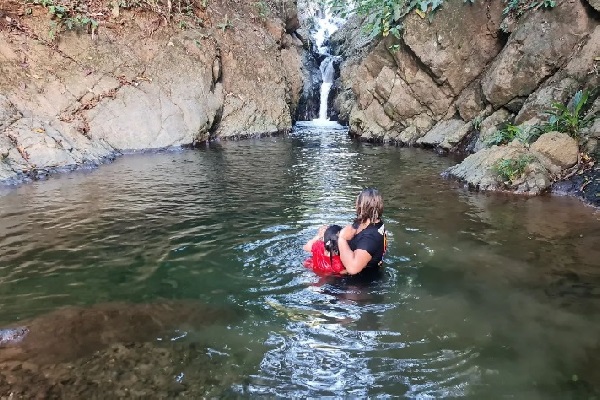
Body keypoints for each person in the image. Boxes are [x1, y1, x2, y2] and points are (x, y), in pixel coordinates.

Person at [338, 187, 387, 275]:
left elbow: (353, 269)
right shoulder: (368, 222)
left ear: (362, 206)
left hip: (358, 283)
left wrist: (342, 239)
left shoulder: (371, 237)